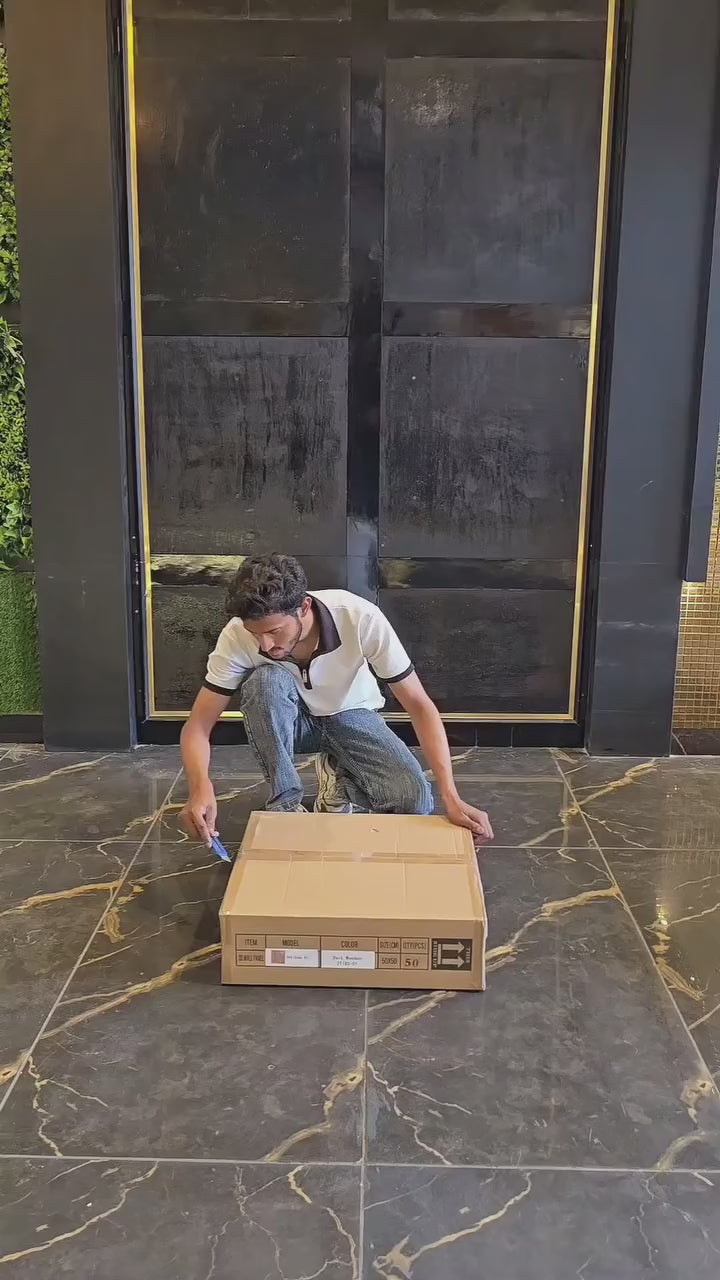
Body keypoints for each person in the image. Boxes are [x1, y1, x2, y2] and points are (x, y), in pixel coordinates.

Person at [180, 553, 493, 845]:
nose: (265, 645)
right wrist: (199, 786)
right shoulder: (236, 635)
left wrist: (451, 797)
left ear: (304, 607)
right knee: (265, 681)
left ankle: (339, 780)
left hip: (350, 713)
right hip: (292, 722)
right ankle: (285, 806)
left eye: (274, 631)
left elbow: (419, 705)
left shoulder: (359, 617)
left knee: (413, 800)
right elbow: (198, 726)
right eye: (255, 633)